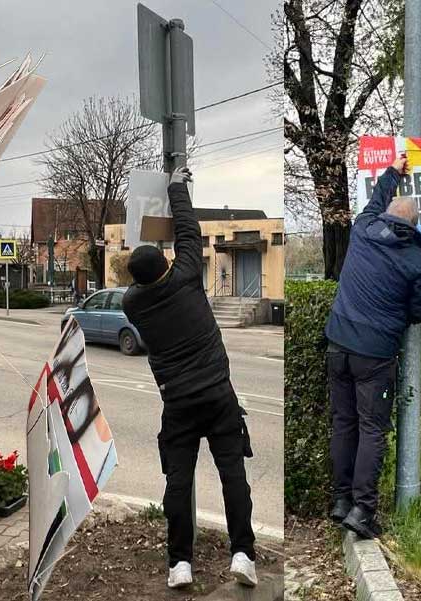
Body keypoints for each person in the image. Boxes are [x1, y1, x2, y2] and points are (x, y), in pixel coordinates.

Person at [122, 167, 257, 589]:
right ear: (168, 265)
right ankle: (242, 555)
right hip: (219, 398)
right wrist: (177, 186)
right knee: (232, 476)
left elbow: (143, 281)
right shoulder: (186, 279)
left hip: (178, 405)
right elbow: (188, 229)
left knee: (178, 484)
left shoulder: (133, 306)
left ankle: (180, 564)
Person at [324, 154, 421, 539]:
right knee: (372, 429)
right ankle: (362, 511)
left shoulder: (364, 228)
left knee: (343, 422)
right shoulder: (416, 259)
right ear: (414, 225)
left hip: (338, 343)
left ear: (388, 215)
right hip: (375, 353)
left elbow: (375, 201)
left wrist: (393, 172)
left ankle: (341, 500)